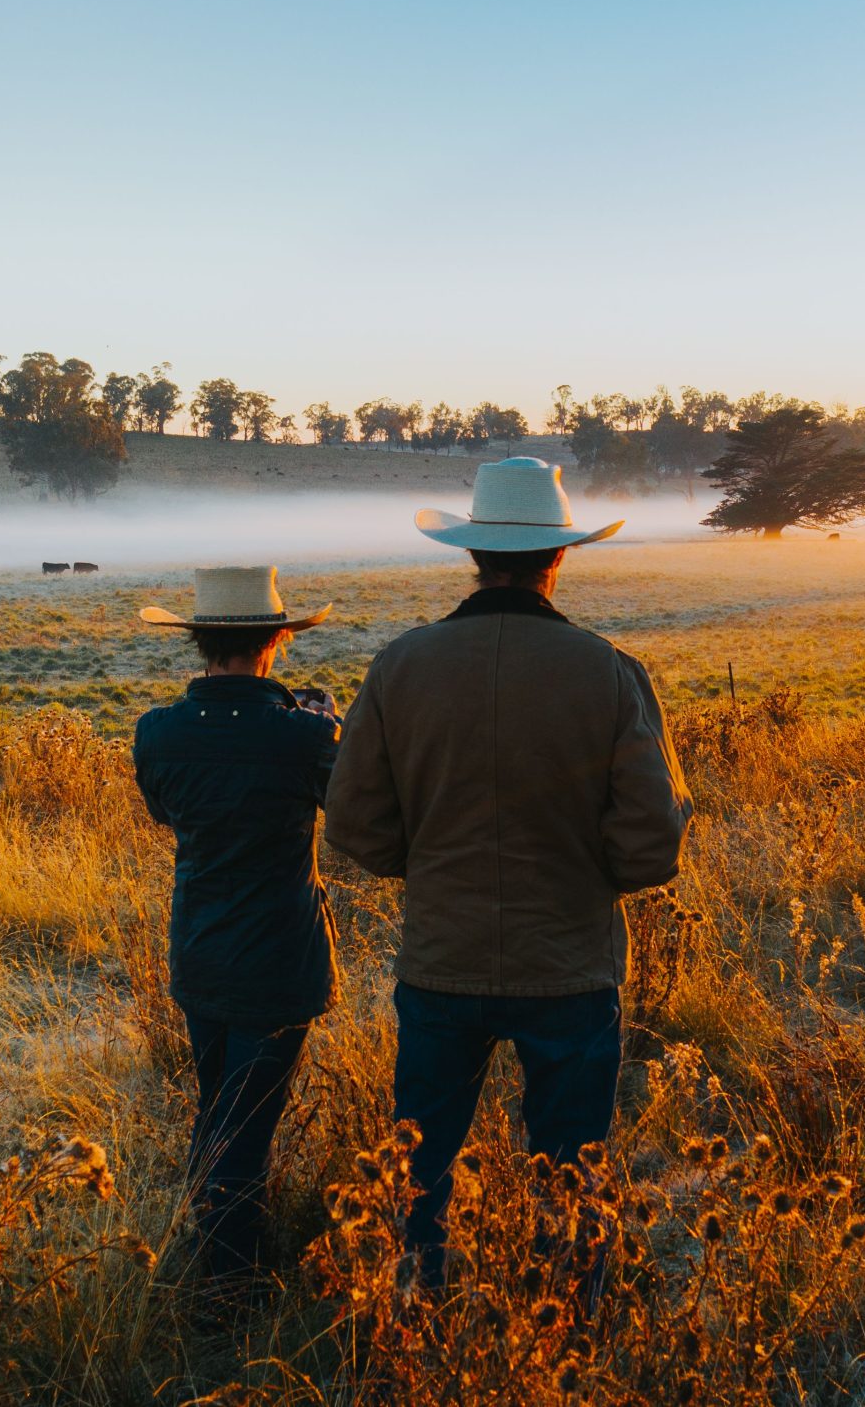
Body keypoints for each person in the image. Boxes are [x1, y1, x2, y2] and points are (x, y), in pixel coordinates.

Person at [324, 457, 692, 1285]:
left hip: (440, 960)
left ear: (473, 555)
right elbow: (651, 844)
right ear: (559, 557)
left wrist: (424, 868)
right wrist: (586, 880)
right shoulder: (609, 672)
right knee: (570, 1168)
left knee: (417, 1170)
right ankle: (564, 1334)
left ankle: (412, 1321)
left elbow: (353, 823)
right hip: (568, 965)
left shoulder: (399, 666)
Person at [132, 566, 341, 1284]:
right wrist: (323, 722)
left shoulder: (157, 734)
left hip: (200, 950)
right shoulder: (303, 736)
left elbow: (167, 814)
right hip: (279, 958)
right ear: (278, 639)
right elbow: (343, 805)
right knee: (248, 1124)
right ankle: (227, 1284)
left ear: (197, 641)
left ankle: (205, 1242)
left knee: (220, 1101)